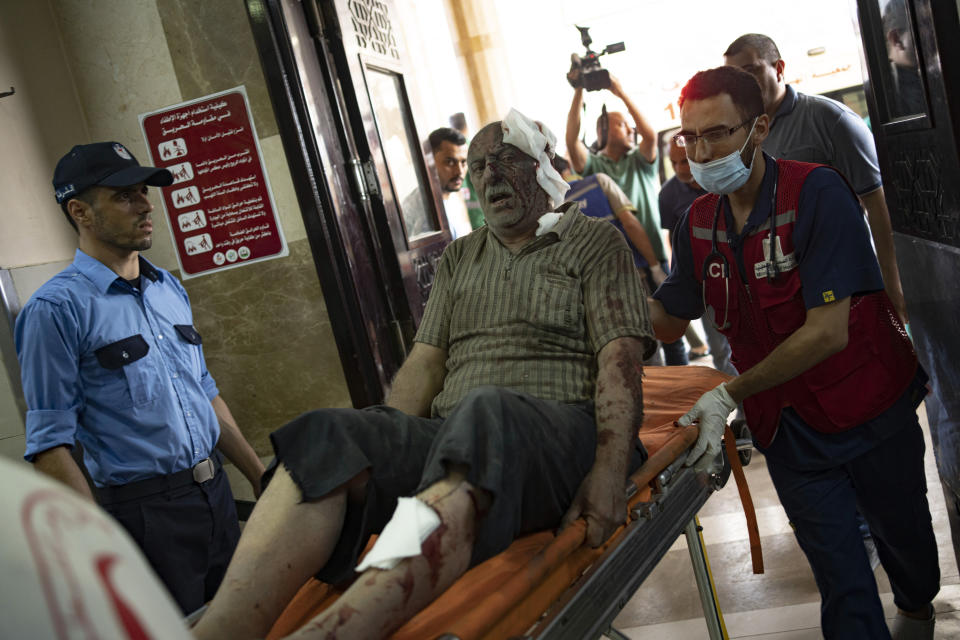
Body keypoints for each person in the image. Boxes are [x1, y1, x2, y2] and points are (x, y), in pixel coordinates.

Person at [192, 110, 656, 640]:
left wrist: (609, 467)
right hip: (463, 436)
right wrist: (391, 447)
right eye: (478, 167)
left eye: (505, 159)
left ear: (545, 166)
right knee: (332, 432)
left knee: (487, 409)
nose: (488, 176)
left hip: (558, 434)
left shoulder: (595, 242)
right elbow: (426, 362)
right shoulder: (461, 257)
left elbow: (620, 362)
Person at [649, 66, 939, 639]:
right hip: (790, 430)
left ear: (758, 130)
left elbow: (828, 331)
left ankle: (917, 605)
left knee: (906, 545)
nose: (702, 152)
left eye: (718, 134)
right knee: (842, 577)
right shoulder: (697, 223)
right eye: (690, 137)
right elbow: (669, 320)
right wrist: (602, 299)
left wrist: (730, 392)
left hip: (868, 406)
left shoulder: (817, 192)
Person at [15, 142, 265, 615]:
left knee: (246, 623)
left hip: (215, 498)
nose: (147, 205)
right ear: (80, 212)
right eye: (125, 195)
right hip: (145, 517)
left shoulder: (166, 287)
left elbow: (204, 391)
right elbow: (50, 444)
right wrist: (100, 547)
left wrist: (257, 474)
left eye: (144, 193)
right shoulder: (56, 310)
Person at [723, 33, 909, 324]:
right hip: (784, 289)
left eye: (751, 72)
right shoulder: (742, 137)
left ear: (779, 68)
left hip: (846, 278)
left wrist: (893, 286)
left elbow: (876, 202)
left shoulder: (830, 119)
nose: (742, 85)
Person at [565, 73, 666, 272]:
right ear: (602, 131)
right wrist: (579, 89)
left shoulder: (640, 160)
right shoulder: (593, 166)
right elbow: (571, 140)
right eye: (622, 125)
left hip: (656, 258)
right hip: (620, 266)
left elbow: (649, 135)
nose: (631, 130)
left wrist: (621, 93)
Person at [659, 138, 732, 372]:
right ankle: (742, 407)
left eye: (685, 161)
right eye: (674, 163)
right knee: (720, 350)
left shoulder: (722, 180)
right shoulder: (668, 195)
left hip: (740, 273)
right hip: (705, 282)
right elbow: (674, 238)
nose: (680, 169)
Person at [428, 127, 472, 238]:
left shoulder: (455, 200)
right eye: (450, 162)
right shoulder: (423, 209)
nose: (460, 171)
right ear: (429, 162)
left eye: (463, 162)